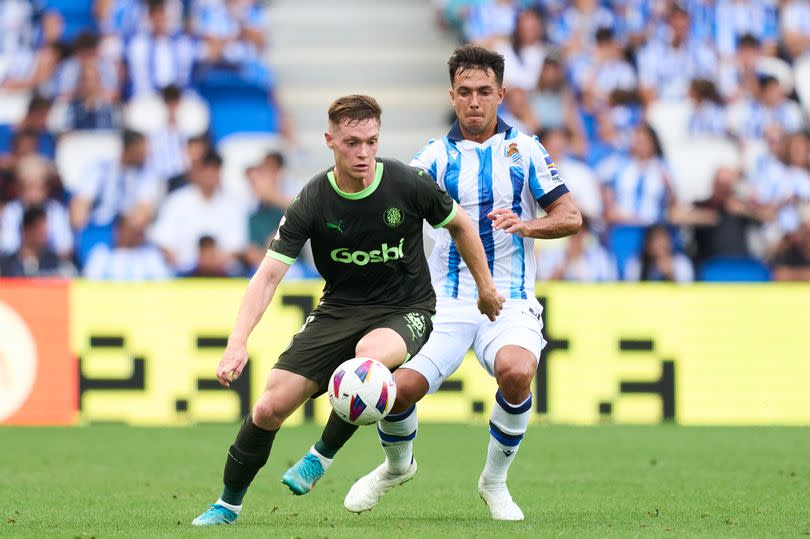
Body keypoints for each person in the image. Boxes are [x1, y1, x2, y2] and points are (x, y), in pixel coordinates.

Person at [293, 46, 581, 522]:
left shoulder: (525, 150)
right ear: (452, 95)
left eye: (484, 92)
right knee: (394, 389)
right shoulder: (432, 157)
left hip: (508, 299)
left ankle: (494, 482)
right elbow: (389, 212)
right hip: (442, 302)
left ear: (501, 94)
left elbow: (570, 215)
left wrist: (527, 226)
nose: (474, 102)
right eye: (465, 92)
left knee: (516, 371)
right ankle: (396, 466)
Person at [190, 94, 503, 526]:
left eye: (371, 142)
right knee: (267, 409)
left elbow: (461, 224)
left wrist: (485, 287)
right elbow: (267, 276)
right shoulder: (313, 200)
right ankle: (227, 505)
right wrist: (237, 343)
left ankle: (321, 455)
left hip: (406, 307)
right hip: (338, 309)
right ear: (330, 141)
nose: (363, 153)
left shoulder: (406, 183)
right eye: (352, 142)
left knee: (368, 365)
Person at [624, 224, 694, 283]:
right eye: (654, 240)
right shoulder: (636, 262)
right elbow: (631, 290)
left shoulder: (681, 262)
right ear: (647, 243)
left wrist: (670, 274)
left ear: (669, 242)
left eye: (661, 239)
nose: (658, 245)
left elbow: (686, 292)